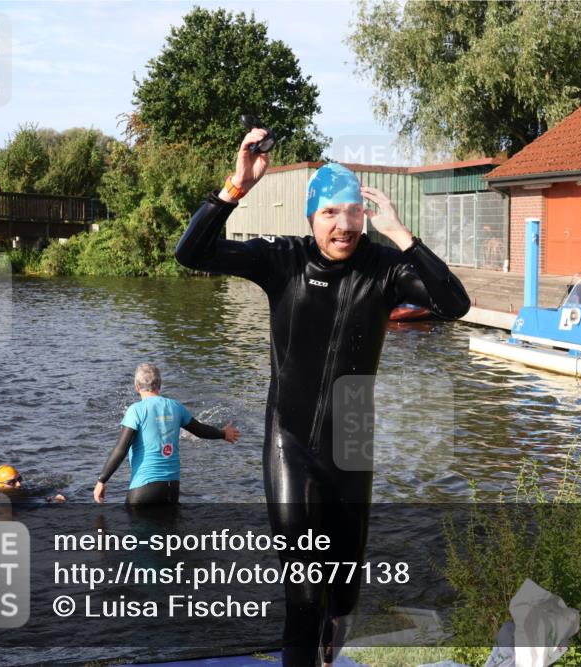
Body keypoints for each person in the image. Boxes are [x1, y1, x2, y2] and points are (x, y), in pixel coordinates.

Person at [174, 132, 470, 666]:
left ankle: (338, 631)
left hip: (353, 432)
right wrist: (235, 187)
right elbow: (190, 252)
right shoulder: (282, 260)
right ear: (312, 217)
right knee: (303, 591)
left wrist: (403, 236)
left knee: (344, 584)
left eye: (354, 212)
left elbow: (455, 304)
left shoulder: (385, 266)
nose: (344, 224)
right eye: (331, 211)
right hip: (291, 438)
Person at [93, 363, 239, 505]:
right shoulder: (176, 407)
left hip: (144, 488)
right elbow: (200, 430)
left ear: (137, 387)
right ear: (159, 384)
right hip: (171, 489)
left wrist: (102, 480)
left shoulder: (136, 410)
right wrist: (223, 434)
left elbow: (121, 449)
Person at [0, 464, 66, 503]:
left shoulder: (26, 489)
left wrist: (54, 496)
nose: (19, 484)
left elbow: (45, 491)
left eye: (19, 479)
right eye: (12, 482)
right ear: (1, 485)